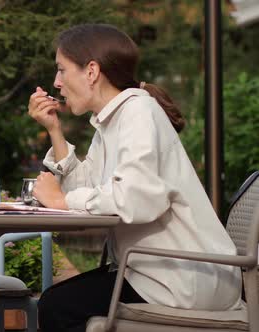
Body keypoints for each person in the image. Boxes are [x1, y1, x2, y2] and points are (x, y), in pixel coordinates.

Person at [27, 24, 243, 332]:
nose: (56, 82)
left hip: (182, 278)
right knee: (56, 301)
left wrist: (61, 199)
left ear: (91, 71)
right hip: (157, 269)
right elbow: (87, 190)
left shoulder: (138, 111)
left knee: (58, 307)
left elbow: (136, 199)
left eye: (62, 70)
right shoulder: (113, 121)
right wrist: (54, 130)